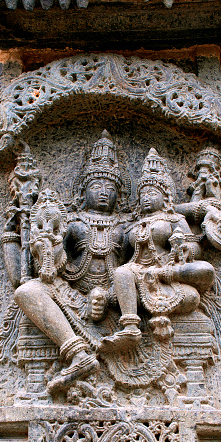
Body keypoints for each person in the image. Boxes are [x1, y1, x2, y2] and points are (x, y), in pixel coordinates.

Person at [13, 130, 131, 392]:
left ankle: (82, 357)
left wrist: (109, 296)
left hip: (115, 304)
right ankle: (78, 355)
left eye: (110, 188)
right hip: (71, 298)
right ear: (83, 190)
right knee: (27, 290)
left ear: (120, 195)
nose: (103, 193)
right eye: (96, 187)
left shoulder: (127, 227)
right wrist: (27, 236)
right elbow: (49, 268)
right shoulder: (72, 223)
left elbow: (137, 270)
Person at [107, 148, 215, 351]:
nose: (147, 197)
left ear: (165, 196)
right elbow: (122, 258)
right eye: (143, 194)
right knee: (121, 272)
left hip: (168, 273)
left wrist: (182, 248)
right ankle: (130, 326)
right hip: (138, 273)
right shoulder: (132, 225)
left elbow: (195, 249)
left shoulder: (175, 219)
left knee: (205, 271)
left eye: (152, 193)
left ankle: (156, 287)